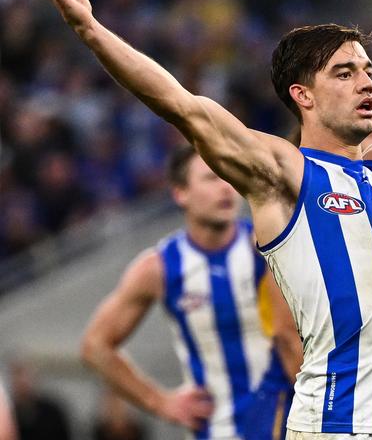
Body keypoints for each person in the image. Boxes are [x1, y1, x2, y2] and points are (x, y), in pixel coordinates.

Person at [17, 0, 372, 437]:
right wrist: (90, 31)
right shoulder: (284, 174)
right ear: (303, 96)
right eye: (345, 73)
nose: (366, 84)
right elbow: (183, 106)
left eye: (367, 70)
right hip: (338, 426)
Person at [80, 145, 299, 439]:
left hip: (286, 424)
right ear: (180, 193)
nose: (225, 188)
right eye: (211, 178)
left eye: (228, 176)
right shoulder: (159, 267)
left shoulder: (268, 248)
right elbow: (95, 346)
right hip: (215, 431)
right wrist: (160, 403)